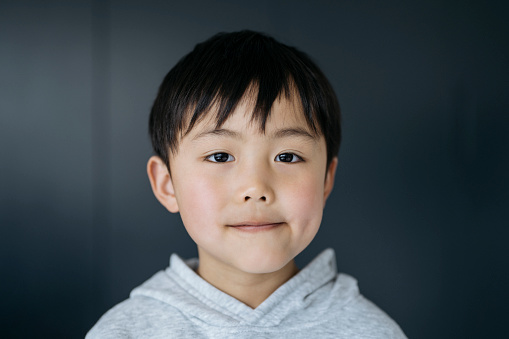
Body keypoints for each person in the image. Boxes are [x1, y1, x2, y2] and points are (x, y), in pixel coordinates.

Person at [87, 30, 407, 338]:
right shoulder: (125, 331)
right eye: (220, 157)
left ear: (326, 180)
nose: (256, 187)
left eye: (287, 157)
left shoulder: (372, 332)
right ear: (167, 184)